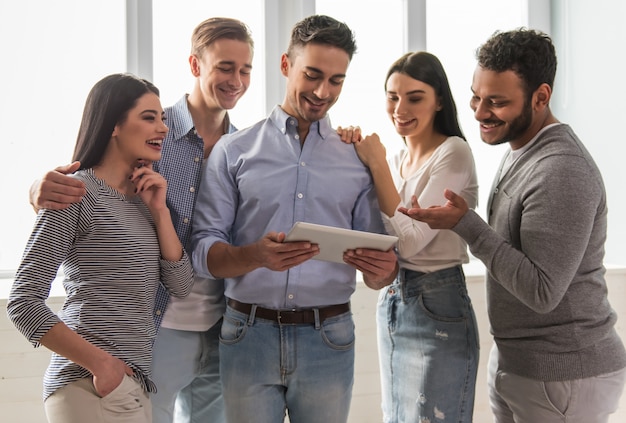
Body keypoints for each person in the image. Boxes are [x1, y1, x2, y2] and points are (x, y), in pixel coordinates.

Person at [27, 17, 254, 423]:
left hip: (220, 325)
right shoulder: (146, 136)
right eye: (225, 66)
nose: (236, 79)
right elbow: (87, 183)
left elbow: (181, 274)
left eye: (245, 69)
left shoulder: (245, 150)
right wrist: (37, 189)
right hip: (152, 333)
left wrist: (161, 211)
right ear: (196, 65)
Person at [399, 28, 626, 423]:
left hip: (565, 373)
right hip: (524, 364)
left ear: (541, 97)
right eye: (476, 96)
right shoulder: (521, 151)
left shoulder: (561, 170)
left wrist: (466, 225)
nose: (479, 112)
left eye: (497, 102)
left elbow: (542, 291)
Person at [190, 14, 398, 423]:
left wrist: (382, 271)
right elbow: (202, 251)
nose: (323, 92)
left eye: (336, 80)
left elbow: (378, 268)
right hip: (247, 335)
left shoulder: (356, 159)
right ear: (286, 65)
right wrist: (255, 256)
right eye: (313, 75)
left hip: (329, 337)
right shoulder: (234, 151)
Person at [7, 73, 194, 423]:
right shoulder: (76, 192)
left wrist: (160, 211)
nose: (163, 129)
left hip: (131, 383)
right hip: (89, 384)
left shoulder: (143, 202)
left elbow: (182, 286)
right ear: (114, 126)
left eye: (163, 119)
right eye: (149, 117)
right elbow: (23, 301)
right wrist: (103, 365)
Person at [338, 51, 480, 422]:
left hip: (438, 302)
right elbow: (381, 235)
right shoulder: (399, 159)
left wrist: (377, 164)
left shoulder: (453, 152)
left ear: (439, 102)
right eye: (392, 96)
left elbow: (411, 242)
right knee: (396, 416)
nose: (400, 107)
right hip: (393, 299)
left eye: (414, 97)